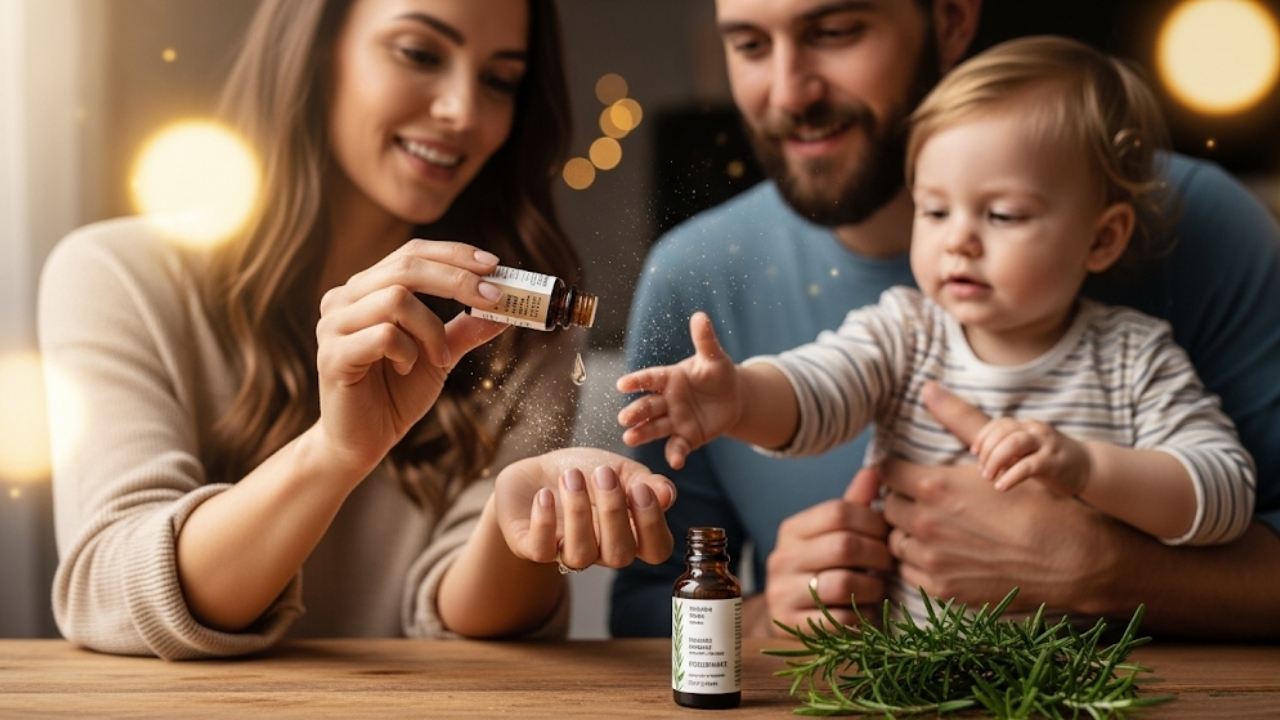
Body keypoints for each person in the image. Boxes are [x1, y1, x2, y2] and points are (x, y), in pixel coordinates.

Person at [611, 0, 1280, 639]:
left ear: (1103, 239)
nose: (958, 240)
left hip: (1085, 686)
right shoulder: (906, 331)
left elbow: (1223, 492)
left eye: (1003, 215)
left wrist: (1090, 487)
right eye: (933, 210)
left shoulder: (1136, 354)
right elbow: (817, 390)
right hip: (914, 679)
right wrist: (740, 398)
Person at [39, 0, 674, 660]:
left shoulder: (511, 321)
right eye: (419, 53)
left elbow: (472, 629)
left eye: (499, 80)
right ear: (317, 52)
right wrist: (335, 451)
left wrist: (513, 522)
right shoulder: (118, 277)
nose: (463, 111)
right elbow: (110, 592)